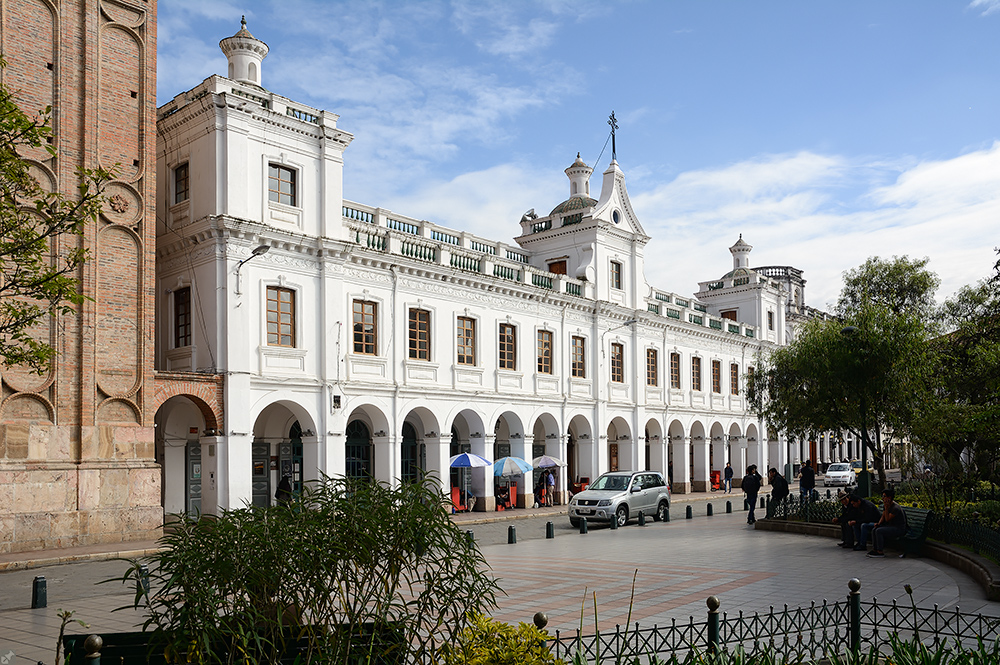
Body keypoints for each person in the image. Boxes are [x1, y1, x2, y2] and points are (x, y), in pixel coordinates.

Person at [866, 487, 908, 558]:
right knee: (874, 529)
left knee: (879, 531)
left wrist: (886, 508)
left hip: (898, 528)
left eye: (884, 496)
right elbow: (883, 516)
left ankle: (880, 551)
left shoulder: (895, 508)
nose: (882, 498)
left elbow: (887, 519)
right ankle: (875, 549)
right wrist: (878, 523)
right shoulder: (887, 505)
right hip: (890, 526)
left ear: (889, 497)